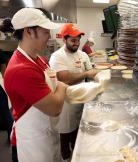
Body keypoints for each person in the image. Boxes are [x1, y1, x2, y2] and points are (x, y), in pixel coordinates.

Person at [4, 8, 68, 162]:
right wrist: (63, 86)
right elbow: (54, 108)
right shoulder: (21, 69)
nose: (49, 36)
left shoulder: (38, 59)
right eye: (46, 32)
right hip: (32, 143)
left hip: (46, 134)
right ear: (29, 32)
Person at [49, 23, 99, 160]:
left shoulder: (83, 55)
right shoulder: (57, 56)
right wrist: (86, 74)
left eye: (78, 40)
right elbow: (65, 79)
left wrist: (100, 78)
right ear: (64, 40)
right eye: (73, 40)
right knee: (65, 134)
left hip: (81, 101)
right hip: (66, 104)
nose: (76, 43)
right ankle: (66, 158)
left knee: (78, 131)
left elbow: (91, 71)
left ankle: (77, 154)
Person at [0, 35, 14, 142]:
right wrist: (7, 84)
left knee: (5, 111)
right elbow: (4, 70)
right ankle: (11, 136)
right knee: (5, 110)